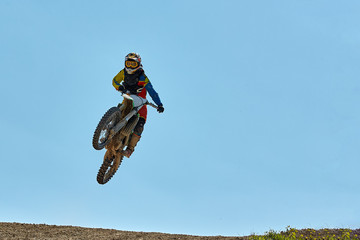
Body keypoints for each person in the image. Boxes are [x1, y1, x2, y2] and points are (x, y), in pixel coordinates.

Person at [112, 53, 164, 158]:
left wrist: (159, 104)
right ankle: (108, 125)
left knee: (140, 126)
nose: (130, 67)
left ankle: (130, 149)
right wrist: (119, 87)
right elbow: (114, 81)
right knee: (118, 109)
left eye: (133, 64)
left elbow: (152, 92)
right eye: (128, 63)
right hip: (128, 99)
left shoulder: (143, 77)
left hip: (141, 104)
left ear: (138, 64)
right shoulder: (123, 73)